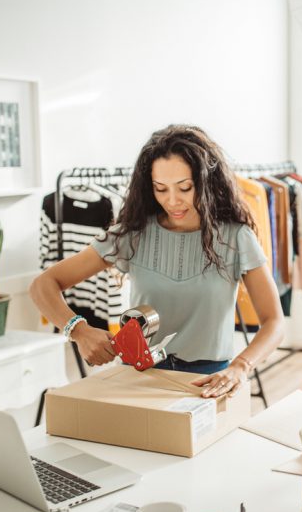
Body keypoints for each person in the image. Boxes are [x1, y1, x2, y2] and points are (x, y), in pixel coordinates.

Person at [31, 125, 284, 398]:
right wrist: (78, 330)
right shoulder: (132, 234)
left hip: (209, 383)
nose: (172, 201)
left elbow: (274, 322)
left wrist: (241, 367)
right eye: (160, 189)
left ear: (206, 181)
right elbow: (43, 285)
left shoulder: (236, 237)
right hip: (137, 377)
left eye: (184, 187)